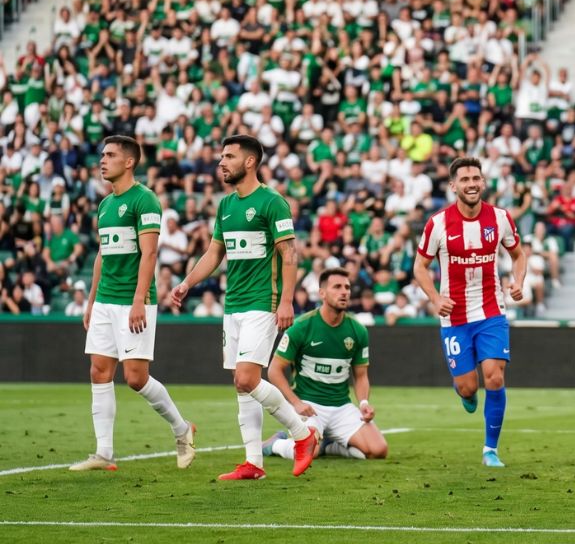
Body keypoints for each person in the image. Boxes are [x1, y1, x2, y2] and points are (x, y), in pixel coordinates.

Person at [171, 135, 318, 480]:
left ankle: (302, 434)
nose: (221, 162)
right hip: (233, 304)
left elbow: (289, 254)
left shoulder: (272, 202)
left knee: (247, 378)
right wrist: (187, 283)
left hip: (261, 303)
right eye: (221, 155)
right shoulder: (225, 205)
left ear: (250, 162)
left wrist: (285, 300)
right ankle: (254, 462)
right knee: (241, 386)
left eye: (229, 156)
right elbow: (214, 253)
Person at [70, 136, 196, 472]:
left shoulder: (145, 200)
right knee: (99, 371)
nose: (102, 160)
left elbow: (150, 253)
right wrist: (91, 301)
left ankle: (182, 429)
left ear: (129, 162)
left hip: (132, 300)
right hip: (105, 300)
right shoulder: (105, 204)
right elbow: (101, 254)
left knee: (137, 378)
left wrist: (139, 299)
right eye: (102, 155)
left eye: (110, 155)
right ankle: (104, 453)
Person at [412, 156, 527, 468]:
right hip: (454, 317)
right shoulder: (438, 224)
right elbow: (419, 267)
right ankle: (465, 393)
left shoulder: (500, 217)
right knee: (468, 385)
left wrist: (518, 282)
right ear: (453, 186)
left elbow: (518, 254)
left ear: (483, 182)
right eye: (464, 179)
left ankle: (490, 449)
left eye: (476, 178)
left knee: (495, 377)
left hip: (491, 311)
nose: (472, 184)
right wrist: (435, 298)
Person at [262, 267, 388, 461]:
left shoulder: (358, 330)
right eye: (337, 287)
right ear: (322, 293)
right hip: (309, 405)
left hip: (341, 407)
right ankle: (275, 444)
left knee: (378, 450)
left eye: (347, 287)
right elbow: (274, 371)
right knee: (306, 453)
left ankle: (328, 446)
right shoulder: (301, 327)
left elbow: (361, 376)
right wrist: (296, 403)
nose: (344, 291)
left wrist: (363, 403)